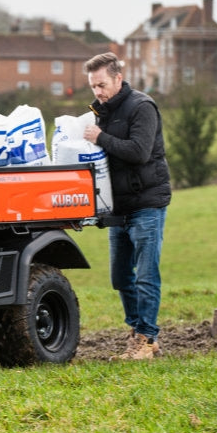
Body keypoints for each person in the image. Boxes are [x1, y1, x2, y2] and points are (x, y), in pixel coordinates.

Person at [82, 52, 171, 360]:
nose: (97, 92)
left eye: (102, 84)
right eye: (93, 86)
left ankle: (146, 338)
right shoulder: (101, 112)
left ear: (118, 78)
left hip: (147, 201)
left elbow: (139, 152)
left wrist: (100, 137)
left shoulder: (142, 107)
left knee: (146, 274)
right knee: (120, 277)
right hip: (117, 208)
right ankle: (140, 333)